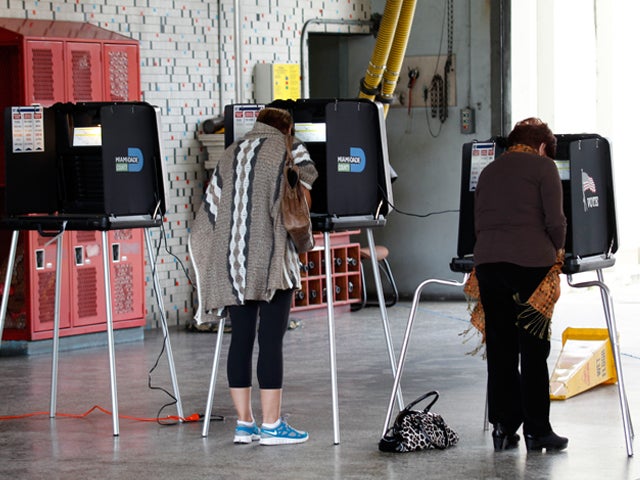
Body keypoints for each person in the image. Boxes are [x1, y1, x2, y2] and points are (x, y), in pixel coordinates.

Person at [189, 107, 318, 445]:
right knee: (271, 340)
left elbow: (210, 213)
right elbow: (304, 195)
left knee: (241, 340)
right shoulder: (291, 148)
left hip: (232, 262)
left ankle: (245, 424)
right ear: (287, 128)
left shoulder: (231, 152)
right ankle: (273, 425)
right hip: (273, 258)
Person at [472, 117, 568, 452]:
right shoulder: (544, 169)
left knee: (500, 348)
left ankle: (503, 427)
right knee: (533, 349)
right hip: (531, 267)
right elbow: (555, 221)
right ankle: (537, 431)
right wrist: (559, 247)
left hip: (488, 265)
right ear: (543, 147)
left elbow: (478, 220)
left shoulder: (488, 171)